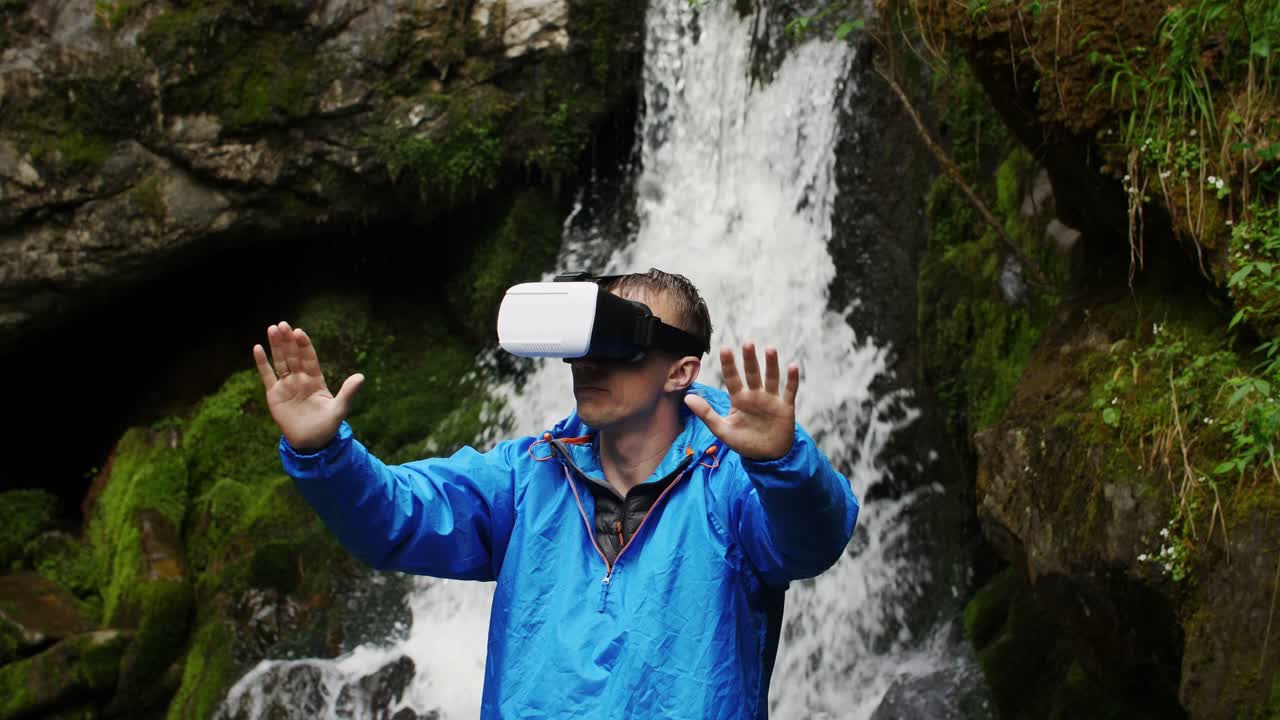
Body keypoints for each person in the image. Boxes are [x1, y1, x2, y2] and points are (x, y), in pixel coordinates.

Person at [252, 269, 859, 719]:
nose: (589, 364)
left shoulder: (735, 483)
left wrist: (780, 462)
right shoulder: (527, 477)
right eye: (582, 343)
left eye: (616, 343)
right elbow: (398, 518)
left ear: (680, 371)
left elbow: (813, 542)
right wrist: (323, 451)